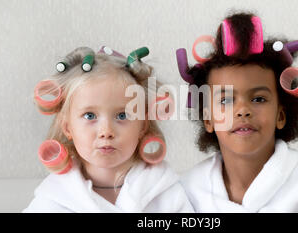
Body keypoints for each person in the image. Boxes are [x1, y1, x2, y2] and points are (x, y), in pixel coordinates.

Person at [178, 12, 298, 212]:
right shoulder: (184, 194)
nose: (242, 111)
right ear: (208, 119)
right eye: (226, 100)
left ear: (280, 115)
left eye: (259, 99)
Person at [24, 46, 193, 212]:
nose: (106, 131)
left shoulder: (166, 193)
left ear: (142, 125)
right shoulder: (53, 200)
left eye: (122, 116)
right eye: (90, 116)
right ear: (67, 127)